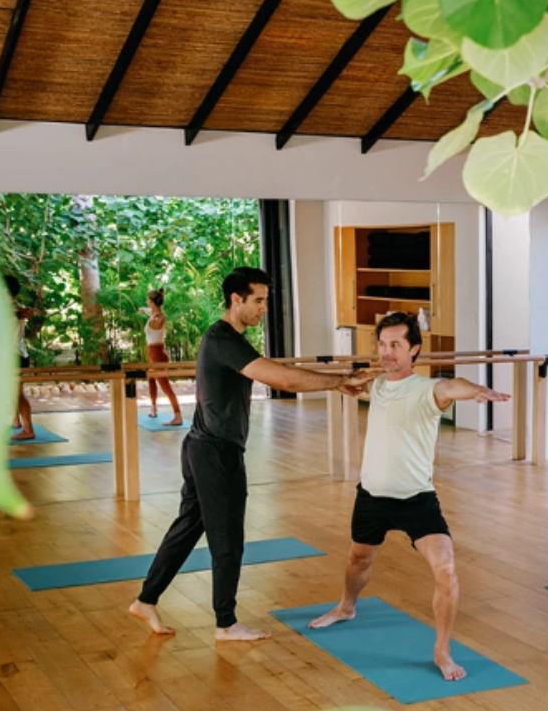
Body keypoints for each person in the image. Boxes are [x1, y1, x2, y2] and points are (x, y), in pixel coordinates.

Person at [129, 267, 377, 642]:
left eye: (266, 300)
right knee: (228, 540)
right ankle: (226, 623)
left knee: (187, 528)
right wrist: (340, 381)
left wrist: (336, 380)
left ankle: (147, 600)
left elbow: (282, 373)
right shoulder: (223, 338)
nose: (264, 308)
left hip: (201, 446)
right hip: (216, 452)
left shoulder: (227, 338)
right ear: (236, 299)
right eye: (258, 300)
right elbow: (283, 379)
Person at [308, 312, 509, 680]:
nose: (387, 352)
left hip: (416, 499)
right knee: (358, 561)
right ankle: (346, 607)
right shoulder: (376, 385)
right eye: (383, 345)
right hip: (371, 497)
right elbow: (345, 383)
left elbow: (453, 386)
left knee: (446, 569)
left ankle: (442, 650)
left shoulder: (427, 389)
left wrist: (477, 391)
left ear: (415, 349)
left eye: (396, 345)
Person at [142, 288, 184, 426]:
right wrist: (144, 310)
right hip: (153, 352)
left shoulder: (159, 318)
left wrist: (151, 314)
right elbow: (151, 313)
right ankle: (153, 409)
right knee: (151, 379)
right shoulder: (154, 314)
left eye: (148, 300)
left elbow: (157, 320)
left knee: (165, 387)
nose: (147, 301)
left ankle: (178, 416)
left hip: (158, 354)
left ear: (152, 302)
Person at [8, 274, 40, 441]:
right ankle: (16, 421)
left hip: (14, 356)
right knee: (13, 391)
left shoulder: (9, 308)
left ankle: (28, 429)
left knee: (17, 393)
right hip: (17, 354)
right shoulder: (14, 306)